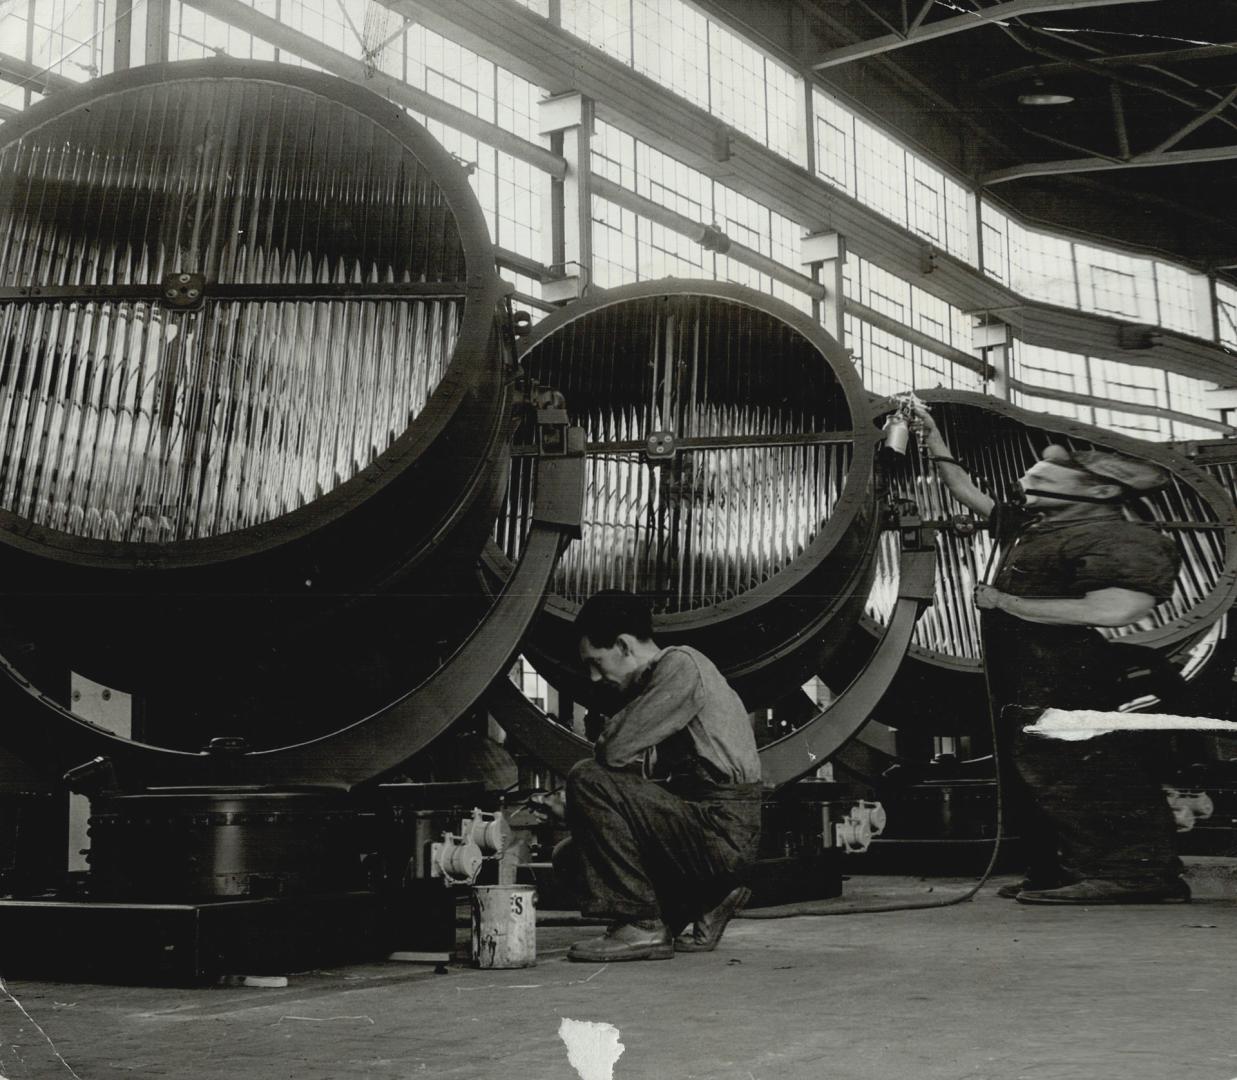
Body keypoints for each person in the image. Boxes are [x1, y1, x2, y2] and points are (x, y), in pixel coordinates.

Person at [911, 403, 1188, 905]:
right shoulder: (1037, 525)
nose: (1023, 482)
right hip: (1029, 670)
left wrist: (1006, 602)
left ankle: (1137, 874)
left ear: (1102, 491)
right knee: (1042, 773)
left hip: (1072, 671)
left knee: (1090, 768)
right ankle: (1063, 870)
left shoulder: (1121, 537)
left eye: (1039, 477)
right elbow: (967, 492)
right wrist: (932, 437)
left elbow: (1114, 608)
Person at [545, 589, 762, 961]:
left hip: (722, 829)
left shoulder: (679, 665)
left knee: (587, 777)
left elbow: (611, 754)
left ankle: (643, 926)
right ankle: (707, 901)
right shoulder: (657, 683)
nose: (595, 677)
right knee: (570, 857)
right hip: (704, 831)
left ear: (624, 645)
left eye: (596, 662)